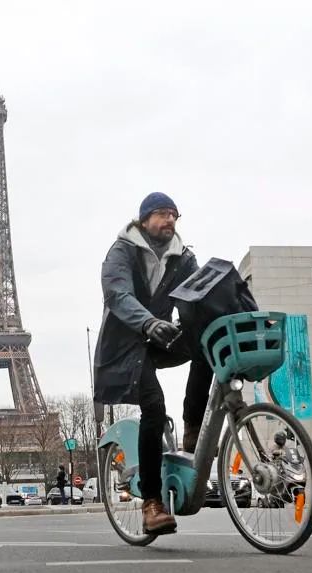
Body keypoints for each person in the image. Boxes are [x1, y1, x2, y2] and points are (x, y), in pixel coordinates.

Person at [93, 192, 214, 535]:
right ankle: (152, 503)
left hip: (159, 336)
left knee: (206, 341)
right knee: (154, 406)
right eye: (162, 213)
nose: (169, 219)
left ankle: (193, 428)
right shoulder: (122, 251)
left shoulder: (182, 257)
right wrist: (147, 322)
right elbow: (117, 294)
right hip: (127, 345)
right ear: (144, 219)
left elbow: (200, 294)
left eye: (174, 214)